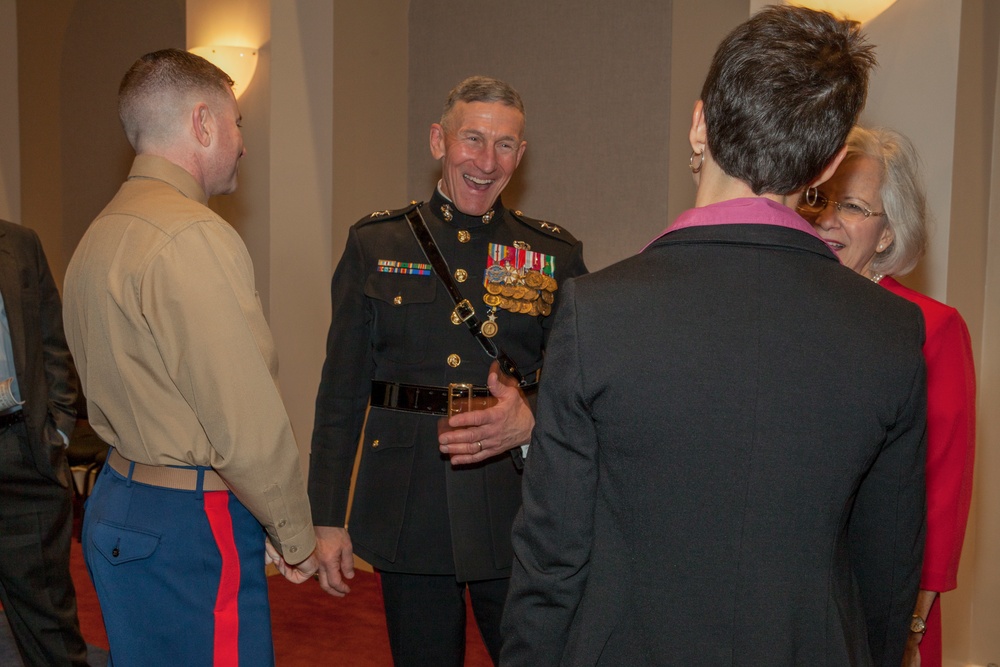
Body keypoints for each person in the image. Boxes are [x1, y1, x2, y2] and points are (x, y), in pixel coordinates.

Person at [501, 6, 928, 666]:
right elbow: (886, 575)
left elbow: (551, 561)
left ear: (699, 122)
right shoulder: (893, 332)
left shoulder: (598, 313)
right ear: (827, 165)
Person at [309, 75, 587, 665]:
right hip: (410, 502)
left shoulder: (554, 255)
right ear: (439, 140)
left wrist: (531, 419)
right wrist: (326, 517)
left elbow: (579, 390)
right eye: (473, 139)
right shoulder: (375, 242)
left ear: (522, 154)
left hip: (516, 505)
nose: (487, 162)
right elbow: (340, 396)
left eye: (506, 145)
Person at [62, 48, 319, 666]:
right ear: (203, 123)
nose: (242, 145)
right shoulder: (192, 235)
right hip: (189, 519)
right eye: (237, 125)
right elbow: (244, 421)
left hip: (118, 495)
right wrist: (295, 534)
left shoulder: (101, 231)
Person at [801, 125, 976, 667]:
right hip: (799, 577)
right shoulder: (789, 310)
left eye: (852, 206)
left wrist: (914, 620)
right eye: (820, 199)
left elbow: (944, 484)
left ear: (886, 235)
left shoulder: (933, 327)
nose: (828, 219)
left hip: (885, 585)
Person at [0, 219, 88, 666]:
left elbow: (53, 342)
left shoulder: (19, 244)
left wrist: (57, 431)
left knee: (49, 624)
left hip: (21, 451)